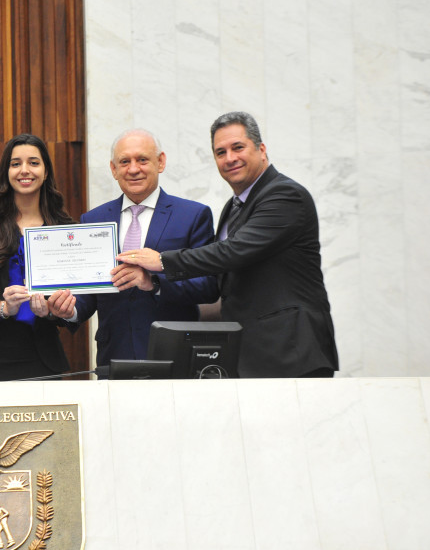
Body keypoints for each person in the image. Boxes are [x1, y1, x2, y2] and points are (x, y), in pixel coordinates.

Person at [117, 112, 338, 378]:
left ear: (262, 149)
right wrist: (156, 283)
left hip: (290, 350)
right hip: (252, 352)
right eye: (220, 152)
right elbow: (218, 280)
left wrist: (162, 261)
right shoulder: (233, 208)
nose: (230, 158)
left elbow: (234, 252)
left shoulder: (285, 195)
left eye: (238, 148)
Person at [46, 129, 218, 370]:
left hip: (176, 356)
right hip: (114, 356)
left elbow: (209, 286)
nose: (133, 169)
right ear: (113, 169)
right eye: (124, 161)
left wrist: (154, 282)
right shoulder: (93, 219)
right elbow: (89, 292)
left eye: (142, 159)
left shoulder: (192, 215)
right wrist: (68, 309)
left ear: (161, 162)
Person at [0, 133, 73, 381]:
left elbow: (74, 303)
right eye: (15, 163)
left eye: (33, 162)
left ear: (46, 171)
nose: (24, 171)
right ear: (6, 172)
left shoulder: (63, 229)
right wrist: (4, 308)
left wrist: (51, 311)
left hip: (43, 357)